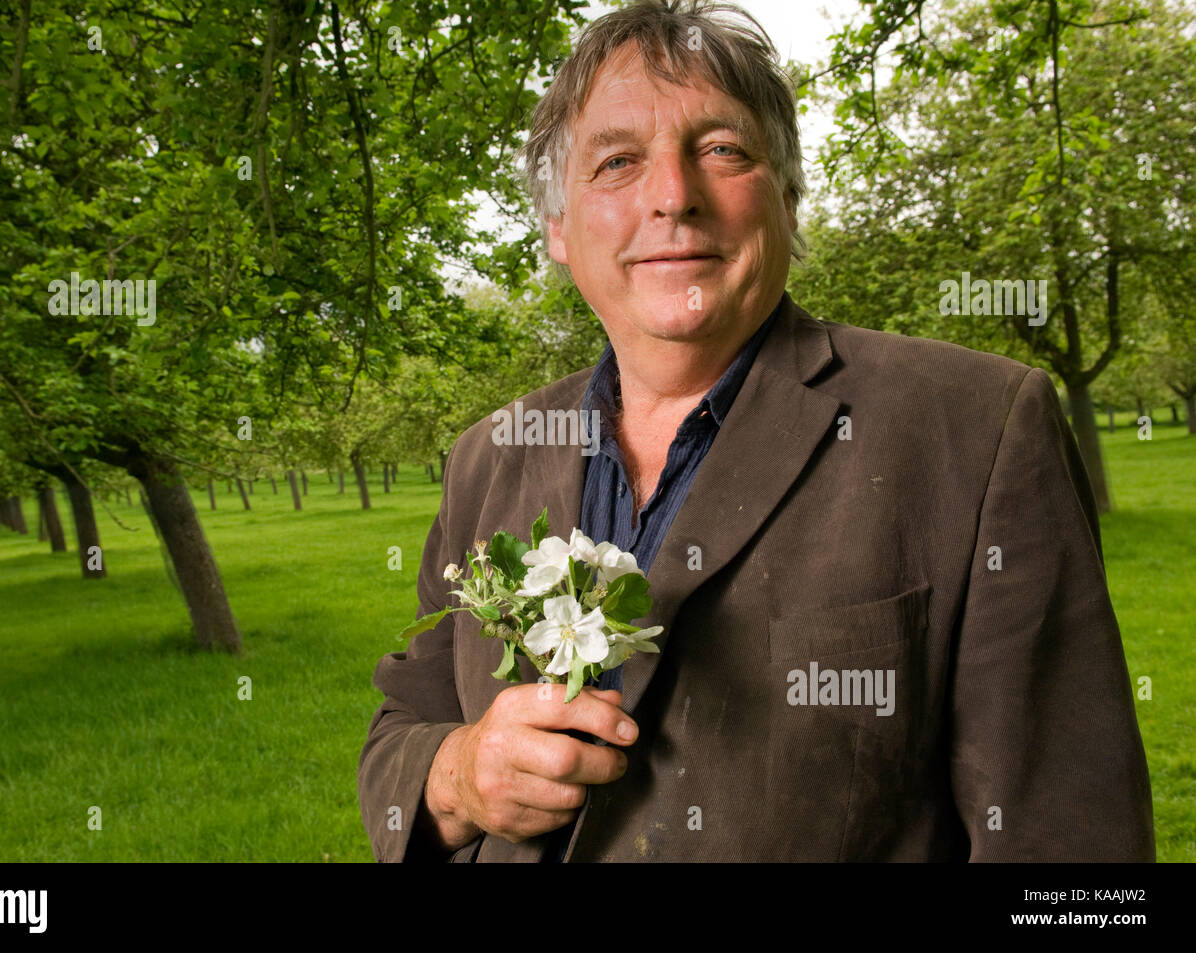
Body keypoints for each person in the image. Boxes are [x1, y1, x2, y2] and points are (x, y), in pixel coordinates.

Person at [358, 0, 1155, 862]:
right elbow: (403, 727)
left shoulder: (981, 430)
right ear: (558, 226)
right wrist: (460, 772)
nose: (674, 197)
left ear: (787, 192)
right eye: (619, 161)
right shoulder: (489, 455)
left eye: (722, 150)